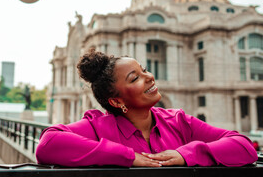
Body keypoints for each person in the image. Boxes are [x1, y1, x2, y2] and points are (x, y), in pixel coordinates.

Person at [36, 49, 258, 167]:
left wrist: (186, 154)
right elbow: (48, 143)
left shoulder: (178, 121)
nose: (150, 77)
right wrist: (128, 156)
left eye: (144, 70)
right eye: (135, 79)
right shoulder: (97, 127)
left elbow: (244, 147)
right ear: (116, 101)